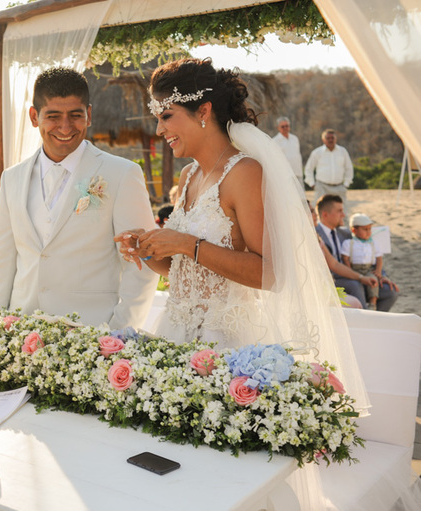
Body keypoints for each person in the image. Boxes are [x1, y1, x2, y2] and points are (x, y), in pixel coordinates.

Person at [117, 56, 368, 405]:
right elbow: (184, 273)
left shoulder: (245, 173)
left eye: (166, 116)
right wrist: (148, 250)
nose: (159, 129)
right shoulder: (188, 176)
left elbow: (271, 274)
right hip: (174, 336)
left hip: (227, 351)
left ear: (203, 111)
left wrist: (188, 244)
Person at [0, 67, 158, 329]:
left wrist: (119, 334)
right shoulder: (12, 178)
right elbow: (2, 261)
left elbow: (142, 264)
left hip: (91, 339)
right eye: (53, 116)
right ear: (34, 116)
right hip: (19, 335)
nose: (65, 127)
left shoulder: (122, 174)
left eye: (75, 115)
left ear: (88, 115)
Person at [315, 194, 398, 311]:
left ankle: (376, 320)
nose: (343, 215)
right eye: (339, 211)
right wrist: (360, 277)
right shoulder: (315, 235)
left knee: (390, 291)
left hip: (357, 275)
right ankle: (365, 321)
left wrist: (382, 275)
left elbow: (369, 251)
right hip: (333, 280)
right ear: (325, 214)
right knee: (355, 284)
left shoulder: (345, 233)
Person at [306, 201, 374, 309]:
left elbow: (334, 264)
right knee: (355, 303)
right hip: (311, 289)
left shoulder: (316, 237)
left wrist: (361, 277)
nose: (315, 214)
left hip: (324, 285)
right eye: (310, 211)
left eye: (313, 210)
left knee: (356, 302)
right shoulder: (301, 240)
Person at [341, 213, 384, 311]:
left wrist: (378, 271)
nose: (368, 232)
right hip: (354, 269)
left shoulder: (373, 243)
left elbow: (379, 258)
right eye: (365, 229)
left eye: (369, 229)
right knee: (357, 284)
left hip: (368, 269)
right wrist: (349, 270)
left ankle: (373, 303)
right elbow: (345, 258)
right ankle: (362, 304)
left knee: (373, 280)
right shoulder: (349, 243)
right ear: (354, 230)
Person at [304, 129, 353, 204]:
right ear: (323, 140)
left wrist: (346, 184)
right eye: (328, 138)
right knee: (321, 212)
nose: (330, 140)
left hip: (339, 188)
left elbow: (349, 168)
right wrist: (312, 184)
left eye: (332, 138)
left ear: (335, 139)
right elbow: (308, 169)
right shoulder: (317, 152)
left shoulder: (343, 151)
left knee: (341, 213)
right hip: (322, 188)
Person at [271, 116, 304, 190]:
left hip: (297, 173)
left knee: (300, 198)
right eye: (283, 126)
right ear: (278, 128)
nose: (285, 128)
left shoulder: (295, 138)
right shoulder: (275, 141)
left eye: (287, 126)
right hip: (284, 175)